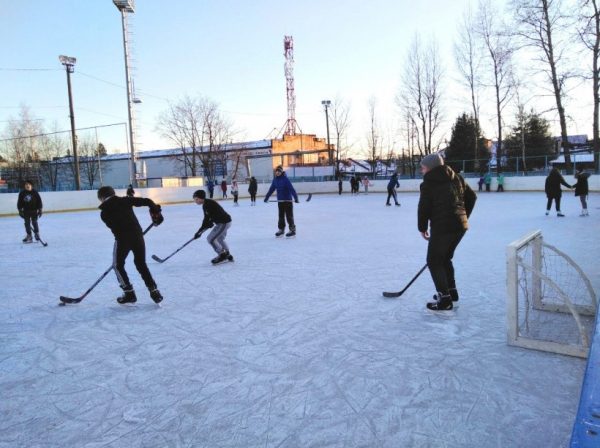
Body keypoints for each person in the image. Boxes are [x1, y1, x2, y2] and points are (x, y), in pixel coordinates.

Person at [418, 153, 476, 311]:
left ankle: (445, 300)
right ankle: (451, 293)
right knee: (445, 259)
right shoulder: (457, 177)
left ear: (430, 167)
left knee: (434, 261)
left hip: (443, 228)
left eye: (423, 168)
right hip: (460, 227)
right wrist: (462, 217)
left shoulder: (429, 183)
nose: (421, 171)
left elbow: (424, 207)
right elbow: (472, 197)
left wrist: (422, 228)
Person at [97, 186, 164, 305]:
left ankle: (129, 293)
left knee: (117, 265)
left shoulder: (104, 213)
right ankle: (154, 291)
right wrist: (156, 213)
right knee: (141, 264)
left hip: (123, 240)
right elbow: (148, 202)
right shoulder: (126, 200)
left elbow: (114, 227)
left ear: (101, 198)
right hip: (138, 237)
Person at [192, 189, 233, 264]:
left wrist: (206, 226)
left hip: (223, 223)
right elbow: (207, 219)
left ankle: (222, 255)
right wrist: (199, 232)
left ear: (201, 198)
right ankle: (227, 253)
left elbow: (208, 219)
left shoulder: (208, 204)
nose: (195, 201)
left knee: (210, 239)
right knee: (220, 239)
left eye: (196, 199)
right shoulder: (206, 204)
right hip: (224, 222)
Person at [263, 165, 299, 237]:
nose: (277, 173)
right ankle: (281, 230)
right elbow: (271, 189)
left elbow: (291, 189)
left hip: (287, 200)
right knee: (281, 216)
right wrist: (267, 197)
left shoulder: (285, 179)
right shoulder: (275, 180)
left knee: (289, 216)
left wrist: (296, 197)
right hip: (280, 201)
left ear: (281, 172)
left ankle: (292, 230)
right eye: (276, 171)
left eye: (279, 171)